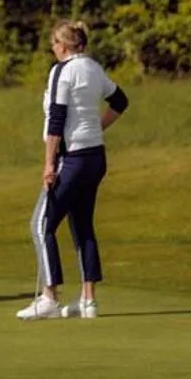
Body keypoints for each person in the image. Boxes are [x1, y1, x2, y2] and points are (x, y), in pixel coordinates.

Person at [19, 20, 129, 320]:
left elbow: (56, 119)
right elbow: (120, 100)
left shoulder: (61, 71)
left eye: (54, 44)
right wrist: (97, 127)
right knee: (82, 225)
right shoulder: (93, 68)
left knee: (41, 225)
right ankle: (88, 301)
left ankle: (49, 297)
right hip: (95, 156)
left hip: (73, 157)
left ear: (63, 46)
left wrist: (49, 163)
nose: (53, 49)